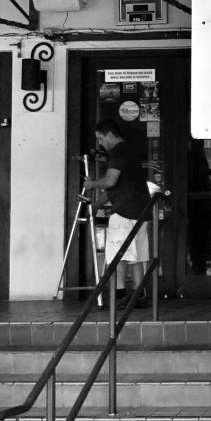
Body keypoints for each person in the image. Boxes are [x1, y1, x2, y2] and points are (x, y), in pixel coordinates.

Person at [84, 119, 152, 308]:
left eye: (101, 138)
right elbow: (118, 186)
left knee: (117, 256)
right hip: (141, 210)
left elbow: (110, 181)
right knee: (137, 257)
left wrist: (91, 185)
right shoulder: (129, 152)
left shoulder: (118, 151)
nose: (100, 143)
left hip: (124, 211)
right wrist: (97, 204)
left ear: (110, 135)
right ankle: (139, 295)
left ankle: (120, 295)